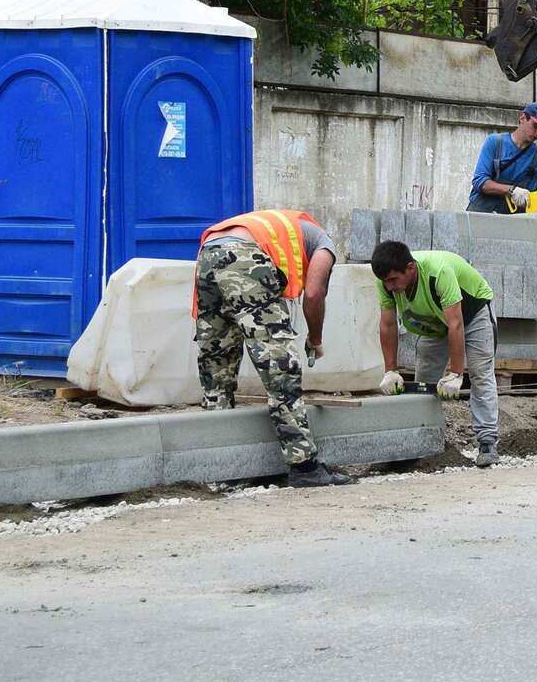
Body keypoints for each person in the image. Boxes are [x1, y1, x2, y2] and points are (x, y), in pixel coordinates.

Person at [193, 209, 351, 488]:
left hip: (209, 251)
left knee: (217, 363)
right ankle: (304, 466)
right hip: (244, 254)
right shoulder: (324, 244)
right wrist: (315, 339)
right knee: (280, 367)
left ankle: (221, 469)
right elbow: (314, 293)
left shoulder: (285, 226)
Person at [371, 241, 502, 468]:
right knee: (423, 382)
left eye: (394, 280)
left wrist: (456, 374)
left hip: (471, 314)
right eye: (386, 281)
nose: (390, 286)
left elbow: (456, 324)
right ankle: (419, 442)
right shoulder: (385, 283)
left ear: (410, 268)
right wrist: (390, 370)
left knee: (481, 373)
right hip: (434, 320)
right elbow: (388, 324)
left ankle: (487, 441)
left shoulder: (438, 272)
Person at [468, 101, 537, 214]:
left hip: (515, 224)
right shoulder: (495, 143)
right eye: (535, 126)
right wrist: (511, 190)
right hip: (480, 217)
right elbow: (480, 181)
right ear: (522, 118)